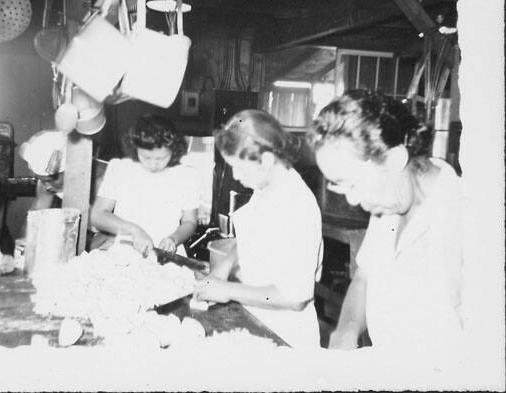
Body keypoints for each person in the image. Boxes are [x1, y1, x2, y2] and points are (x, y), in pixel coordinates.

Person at [306, 90, 464, 351]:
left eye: (353, 185)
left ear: (394, 158)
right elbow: (365, 277)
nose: (353, 201)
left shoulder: (468, 218)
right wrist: (346, 331)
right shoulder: (389, 204)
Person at [193, 109, 324, 349]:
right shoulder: (266, 188)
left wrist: (228, 290)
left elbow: (294, 297)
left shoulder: (296, 205)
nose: (235, 176)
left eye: (240, 168)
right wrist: (222, 269)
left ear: (265, 160)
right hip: (256, 319)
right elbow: (249, 240)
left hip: (284, 334)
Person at [90, 115, 199, 256]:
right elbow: (98, 216)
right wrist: (133, 230)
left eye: (161, 158)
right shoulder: (120, 169)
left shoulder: (187, 176)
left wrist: (174, 238)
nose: (153, 165)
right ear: (135, 148)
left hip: (166, 254)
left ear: (173, 150)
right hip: (122, 251)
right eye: (146, 157)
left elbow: (189, 222)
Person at [18, 129, 67, 213]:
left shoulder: (94, 180)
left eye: (50, 180)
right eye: (42, 181)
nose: (47, 187)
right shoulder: (46, 183)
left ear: (67, 171)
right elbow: (36, 215)